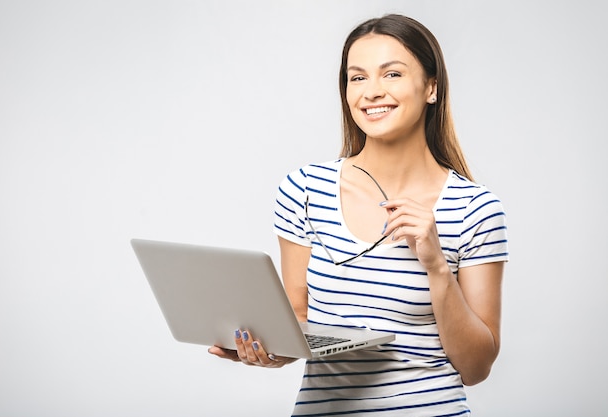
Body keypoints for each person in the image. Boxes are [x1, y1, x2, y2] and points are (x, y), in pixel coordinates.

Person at [209, 13, 509, 416]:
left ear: (431, 88)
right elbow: (299, 321)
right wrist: (271, 351)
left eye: (392, 74)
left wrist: (436, 266)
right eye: (357, 77)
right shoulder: (304, 190)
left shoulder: (474, 208)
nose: (371, 92)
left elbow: (476, 368)